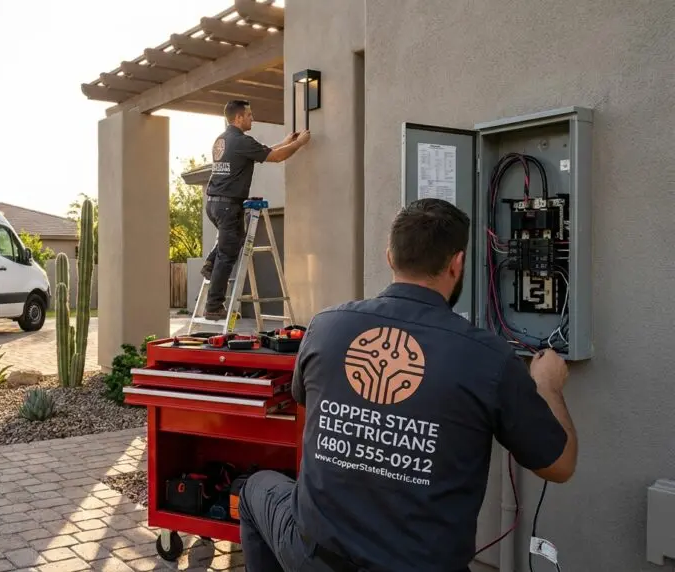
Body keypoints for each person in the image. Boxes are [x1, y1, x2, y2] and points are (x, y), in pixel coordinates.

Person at [237, 198, 578, 571]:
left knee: (256, 487)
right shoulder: (488, 357)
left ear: (389, 257)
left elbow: (305, 400)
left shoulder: (326, 326)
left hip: (316, 558)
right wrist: (548, 384)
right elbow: (559, 465)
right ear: (457, 263)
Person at [200, 99, 311, 320]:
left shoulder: (223, 140)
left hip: (214, 203)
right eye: (249, 115)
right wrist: (299, 144)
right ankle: (213, 306)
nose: (253, 118)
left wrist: (285, 141)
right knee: (228, 253)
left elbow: (266, 151)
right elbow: (276, 157)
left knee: (232, 240)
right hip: (227, 205)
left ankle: (210, 264)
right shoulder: (241, 141)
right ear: (239, 117)